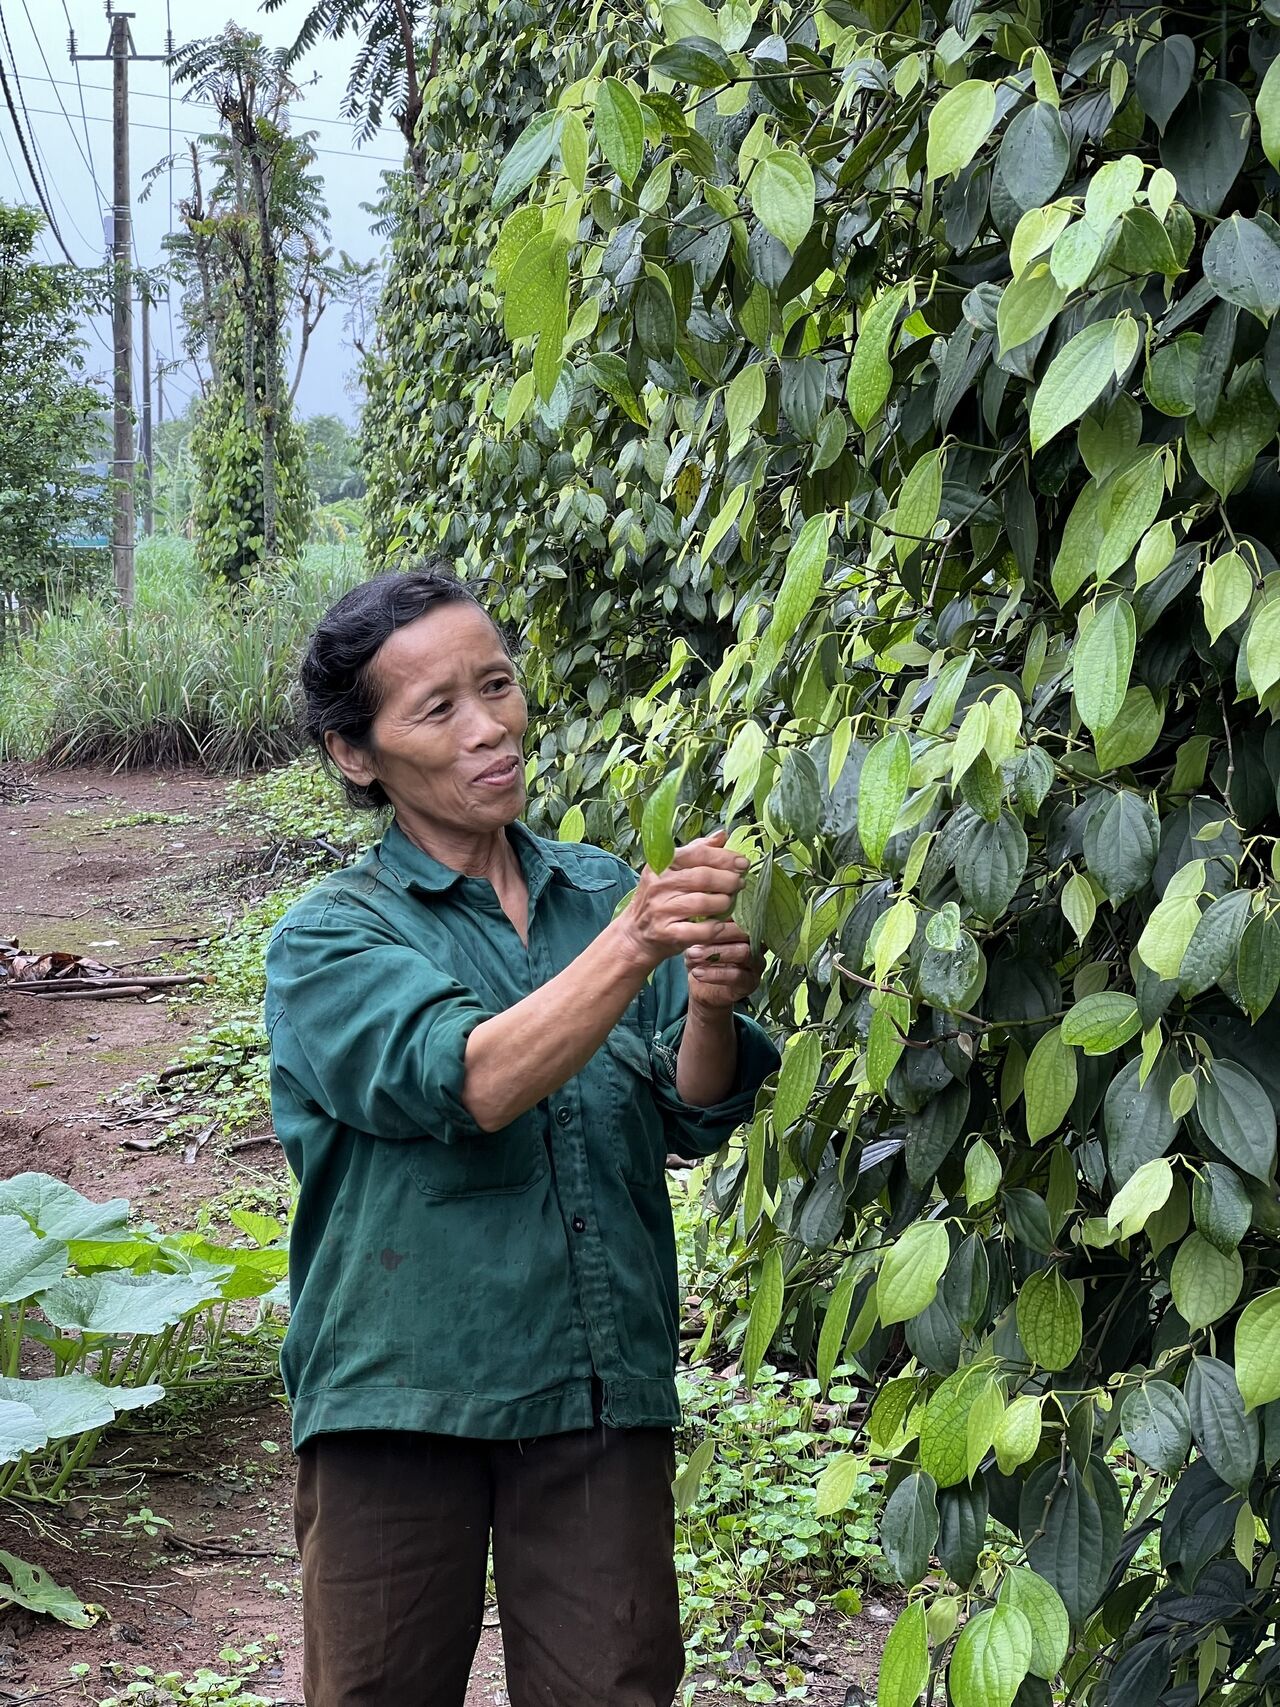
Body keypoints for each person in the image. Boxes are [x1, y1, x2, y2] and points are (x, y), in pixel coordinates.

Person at [265, 564, 779, 1707]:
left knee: (614, 1688)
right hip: (398, 1400)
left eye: (496, 686)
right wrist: (634, 944)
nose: (489, 726)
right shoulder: (327, 940)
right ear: (356, 753)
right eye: (437, 709)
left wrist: (705, 1003)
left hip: (592, 1387)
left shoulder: (593, 891)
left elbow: (689, 1108)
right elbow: (474, 1079)